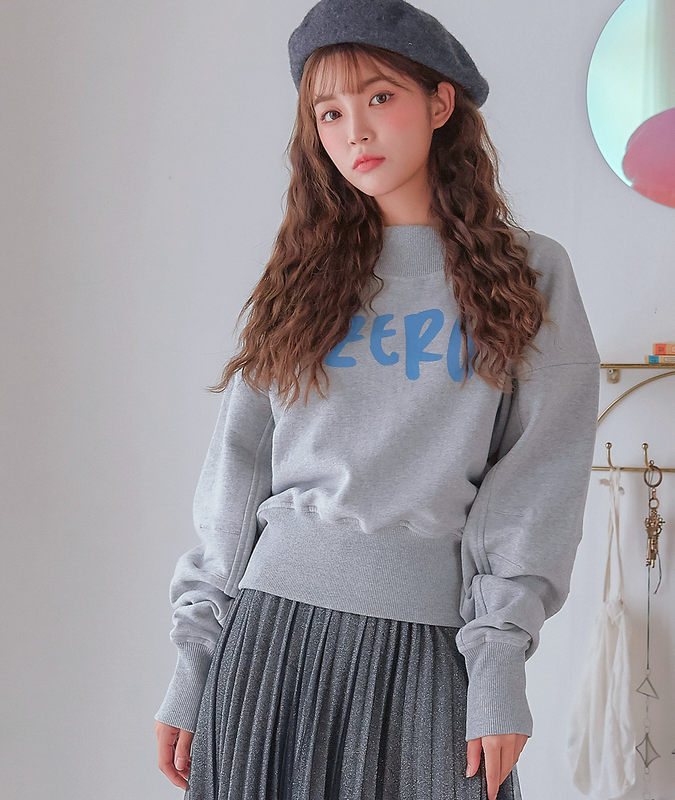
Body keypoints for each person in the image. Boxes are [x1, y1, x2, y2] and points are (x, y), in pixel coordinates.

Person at [154, 1, 601, 798]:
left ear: (440, 103)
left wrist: (500, 662)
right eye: (329, 113)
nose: (354, 131)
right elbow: (237, 472)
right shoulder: (300, 276)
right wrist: (193, 663)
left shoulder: (532, 274)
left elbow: (539, 481)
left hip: (431, 649)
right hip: (270, 643)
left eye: (380, 98)